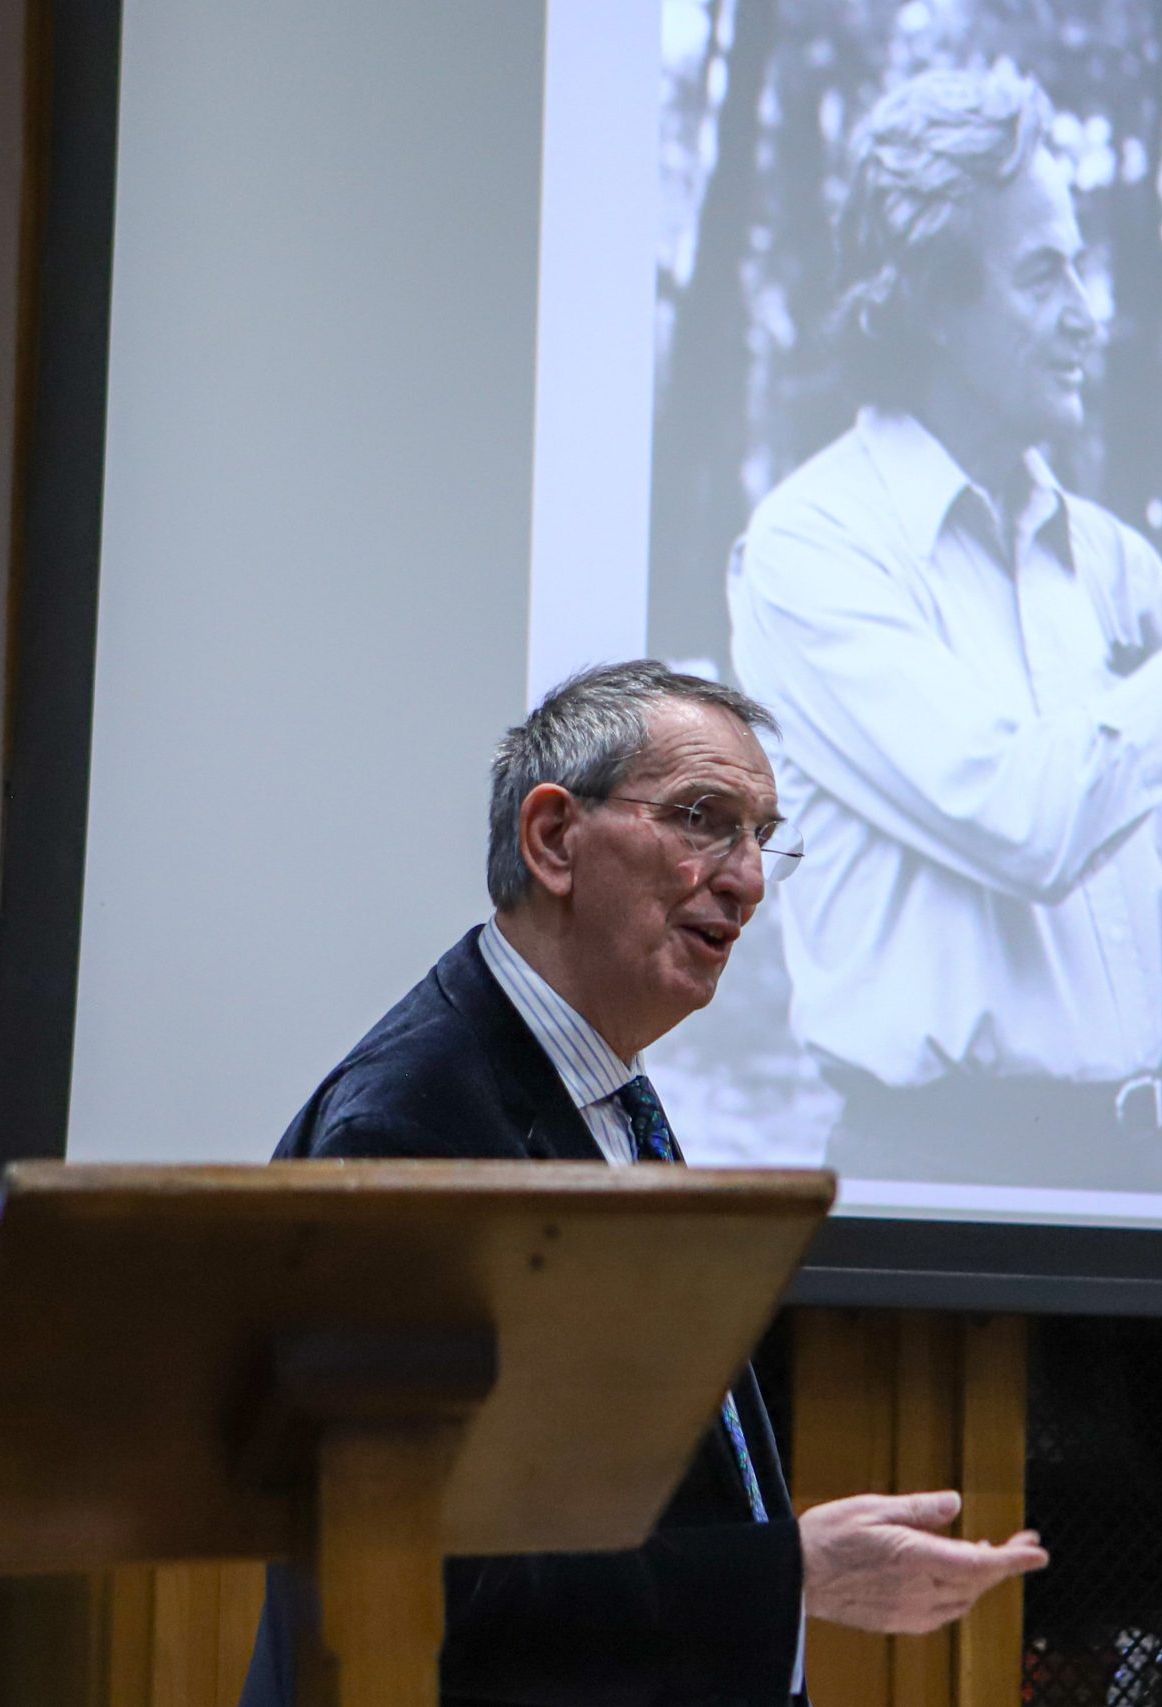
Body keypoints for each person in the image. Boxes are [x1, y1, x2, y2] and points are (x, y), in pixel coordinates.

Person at [238, 662, 1046, 1707]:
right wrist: (788, 1574)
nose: (748, 880)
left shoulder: (589, 1086)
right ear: (553, 840)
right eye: (705, 821)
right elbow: (418, 1581)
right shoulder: (410, 1127)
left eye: (762, 837)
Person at [729, 64, 1162, 1197]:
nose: (1088, 314)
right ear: (930, 298)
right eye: (1047, 273)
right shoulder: (811, 551)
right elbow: (1029, 818)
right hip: (953, 1194)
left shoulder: (1105, 556)